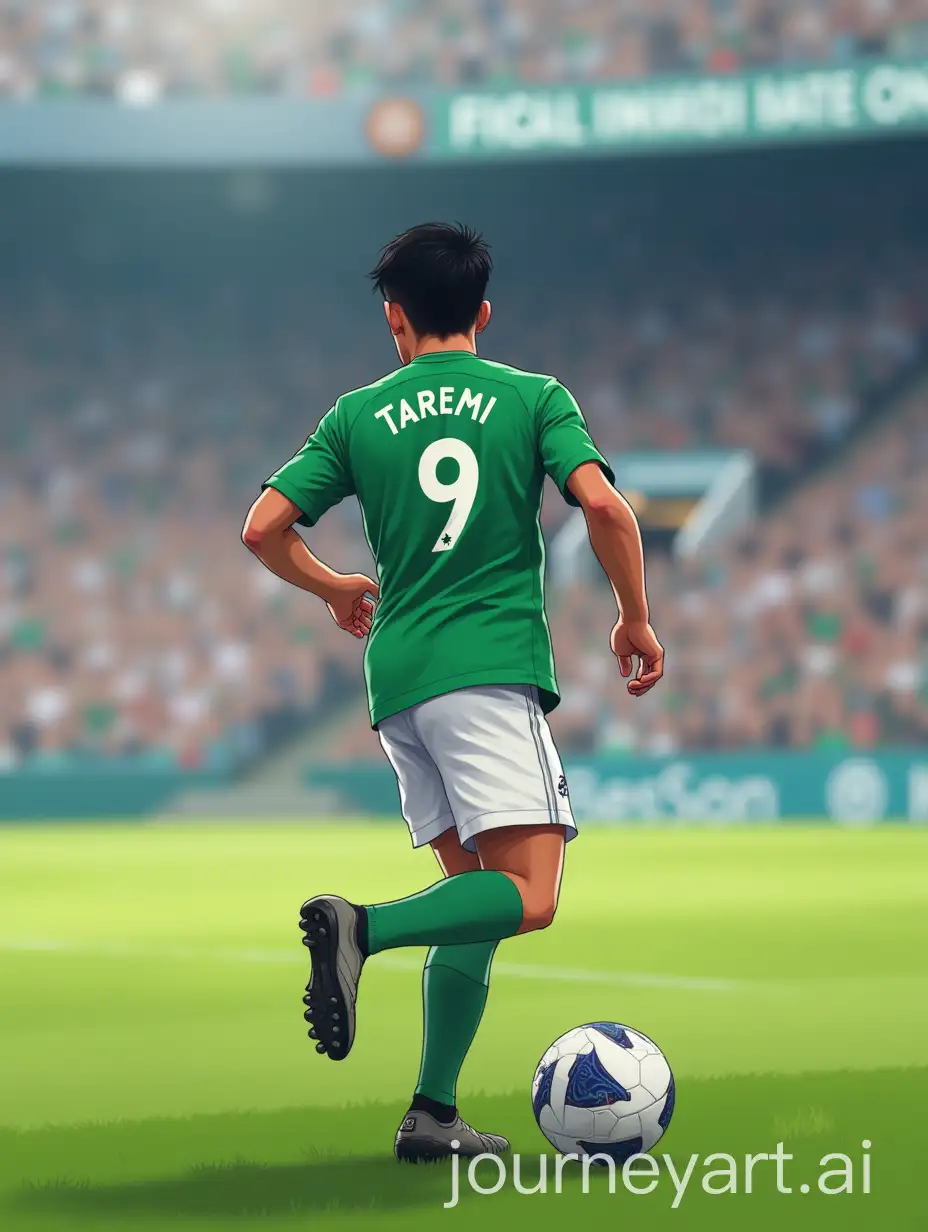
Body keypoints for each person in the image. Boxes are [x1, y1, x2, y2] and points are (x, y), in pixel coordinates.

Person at [242, 222, 663, 1162]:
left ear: (394, 319)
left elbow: (263, 527)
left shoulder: (355, 414)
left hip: (398, 678)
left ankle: (432, 1113)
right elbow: (600, 505)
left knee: (473, 895)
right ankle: (364, 928)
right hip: (487, 666)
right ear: (482, 311)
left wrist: (335, 587)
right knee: (532, 895)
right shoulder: (533, 397)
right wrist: (634, 615)